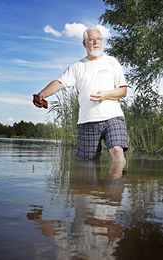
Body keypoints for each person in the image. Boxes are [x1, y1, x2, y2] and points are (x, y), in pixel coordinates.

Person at [33, 26, 129, 163]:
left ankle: (115, 183)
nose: (96, 42)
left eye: (99, 39)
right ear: (85, 43)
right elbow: (60, 82)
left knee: (116, 151)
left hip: (112, 116)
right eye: (91, 40)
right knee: (88, 166)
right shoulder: (77, 67)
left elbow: (123, 91)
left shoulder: (112, 62)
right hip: (87, 120)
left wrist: (106, 95)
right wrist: (41, 94)